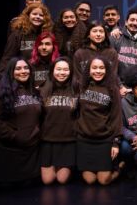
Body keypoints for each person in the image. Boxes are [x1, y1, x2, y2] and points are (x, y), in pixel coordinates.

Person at [0, 57, 42, 184]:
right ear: (11, 71)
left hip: (31, 156)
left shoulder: (34, 92)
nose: (23, 71)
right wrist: (14, 136)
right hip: (8, 155)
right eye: (18, 68)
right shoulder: (0, 93)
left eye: (26, 68)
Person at [75, 56, 122, 185]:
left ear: (107, 70)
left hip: (104, 140)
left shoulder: (113, 89)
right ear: (88, 70)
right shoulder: (81, 86)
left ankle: (120, 168)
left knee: (103, 180)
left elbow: (116, 117)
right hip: (84, 139)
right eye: (94, 68)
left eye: (101, 68)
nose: (98, 71)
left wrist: (116, 143)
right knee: (89, 180)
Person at [39, 57, 78, 185]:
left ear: (70, 71)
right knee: (48, 181)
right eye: (59, 69)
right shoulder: (44, 88)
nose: (62, 73)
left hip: (68, 141)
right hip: (47, 140)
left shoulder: (76, 88)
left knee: (62, 180)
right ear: (53, 71)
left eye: (66, 69)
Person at [0, 3, 53, 85]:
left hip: (42, 81)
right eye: (34, 14)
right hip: (23, 79)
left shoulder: (47, 34)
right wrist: (0, 81)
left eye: (41, 15)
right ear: (28, 16)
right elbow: (7, 59)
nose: (38, 17)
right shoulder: (17, 35)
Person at [110, 9, 137, 95]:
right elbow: (110, 66)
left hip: (136, 91)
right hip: (115, 88)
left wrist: (136, 89)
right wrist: (120, 86)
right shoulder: (115, 38)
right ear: (126, 22)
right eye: (132, 20)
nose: (135, 23)